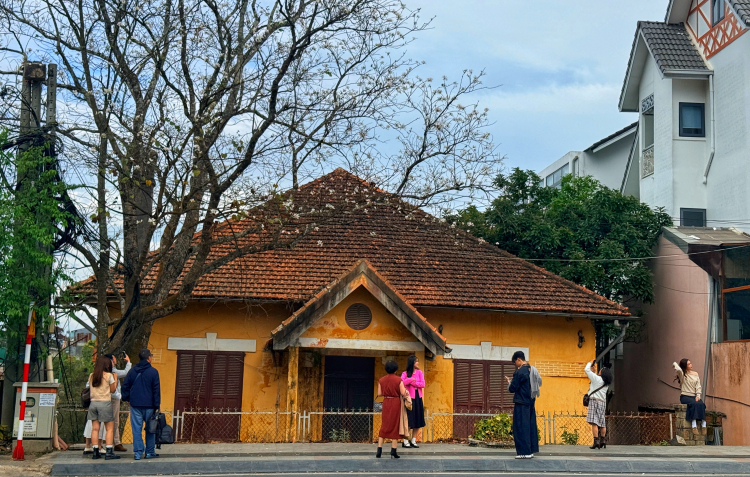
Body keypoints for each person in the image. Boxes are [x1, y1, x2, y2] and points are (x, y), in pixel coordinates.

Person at [122, 349, 161, 460]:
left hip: (135, 404)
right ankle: (149, 452)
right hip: (150, 405)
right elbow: (156, 390)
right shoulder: (153, 372)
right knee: (150, 429)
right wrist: (157, 405)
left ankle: (138, 453)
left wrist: (127, 398)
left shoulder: (132, 371)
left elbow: (125, 386)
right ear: (149, 358)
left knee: (136, 430)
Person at [505, 351, 539, 460]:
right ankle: (531, 450)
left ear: (519, 360)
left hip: (521, 403)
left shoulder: (519, 372)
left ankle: (524, 452)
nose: (515, 364)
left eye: (515, 362)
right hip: (530, 403)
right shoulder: (532, 370)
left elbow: (513, 388)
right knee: (530, 427)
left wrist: (509, 383)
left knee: (521, 427)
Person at [87, 355, 120, 460]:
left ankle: (95, 451)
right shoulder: (109, 376)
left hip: (93, 404)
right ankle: (109, 451)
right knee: (109, 428)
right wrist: (115, 379)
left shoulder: (92, 375)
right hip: (105, 403)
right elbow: (113, 390)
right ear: (107, 365)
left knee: (95, 428)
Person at [376, 360, 409, 459]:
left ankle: (379, 449)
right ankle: (393, 450)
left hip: (386, 402)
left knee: (384, 425)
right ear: (395, 369)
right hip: (396, 403)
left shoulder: (381, 380)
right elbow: (403, 392)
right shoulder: (398, 380)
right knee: (395, 425)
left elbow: (379, 394)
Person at [105, 353, 131, 452]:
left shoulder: (102, 371)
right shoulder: (113, 371)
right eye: (114, 358)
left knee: (107, 421)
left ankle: (111, 443)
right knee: (114, 421)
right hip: (113, 398)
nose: (115, 359)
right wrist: (128, 362)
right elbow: (126, 372)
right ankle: (115, 443)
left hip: (104, 398)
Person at [673, 359, 707, 435]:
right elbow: (679, 370)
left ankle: (703, 424)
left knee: (701, 404)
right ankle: (693, 424)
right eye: (688, 364)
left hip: (694, 396)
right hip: (685, 396)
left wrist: (698, 395)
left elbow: (698, 386)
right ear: (685, 366)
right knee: (694, 404)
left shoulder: (695, 374)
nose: (691, 365)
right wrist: (675, 364)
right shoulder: (682, 375)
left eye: (690, 363)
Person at [584, 360, 612, 449]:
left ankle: (596, 441)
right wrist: (594, 372)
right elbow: (596, 380)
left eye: (600, 370)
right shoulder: (606, 383)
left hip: (594, 401)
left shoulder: (597, 379)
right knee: (602, 422)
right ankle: (603, 440)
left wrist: (590, 363)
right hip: (602, 402)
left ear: (602, 373)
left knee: (594, 422)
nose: (599, 371)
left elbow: (586, 370)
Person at [401, 355, 425, 448]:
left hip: (418, 398)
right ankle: (405, 440)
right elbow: (402, 383)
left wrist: (414, 383)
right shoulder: (405, 373)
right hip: (409, 399)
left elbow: (422, 384)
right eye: (416, 361)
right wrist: (410, 379)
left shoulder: (419, 372)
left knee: (418, 419)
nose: (418, 363)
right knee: (408, 420)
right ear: (412, 363)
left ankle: (413, 440)